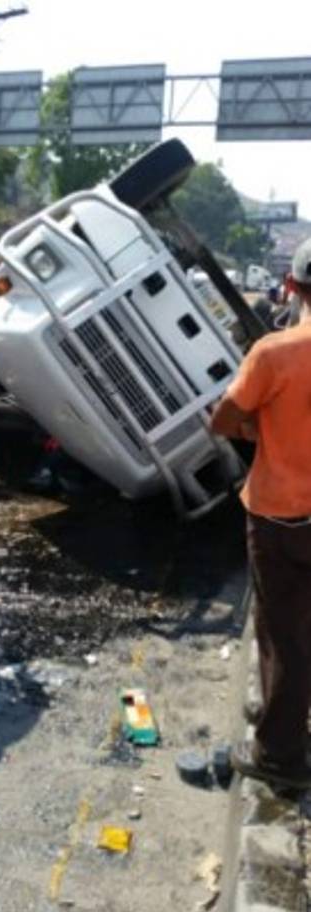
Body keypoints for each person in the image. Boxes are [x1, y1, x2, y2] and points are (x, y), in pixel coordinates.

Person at [210, 236, 311, 790]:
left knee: (282, 634)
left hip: (280, 517)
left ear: (292, 287)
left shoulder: (275, 353)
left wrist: (259, 428)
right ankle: (288, 719)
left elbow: (224, 419)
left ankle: (279, 756)